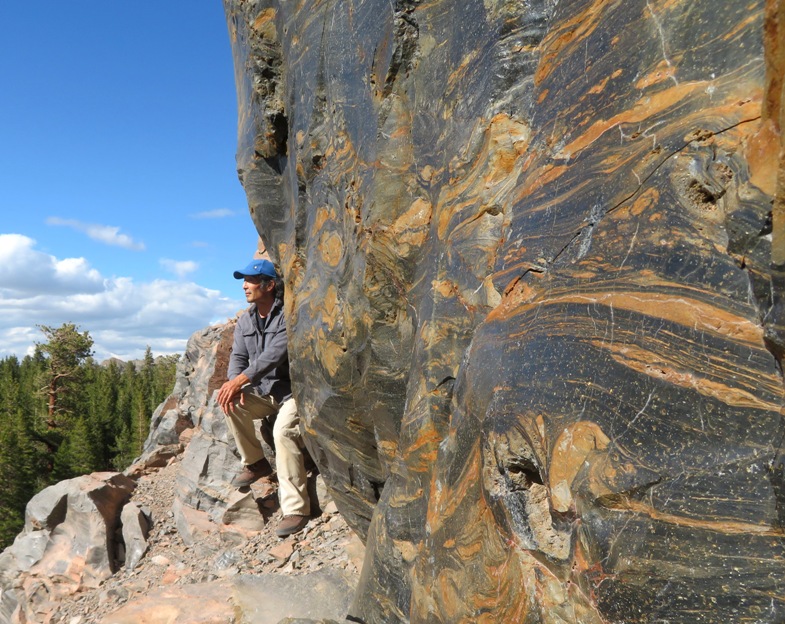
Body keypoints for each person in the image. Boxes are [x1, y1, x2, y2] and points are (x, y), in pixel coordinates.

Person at [217, 258, 310, 537]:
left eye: (251, 281)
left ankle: (295, 510)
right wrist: (235, 384)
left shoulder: (287, 315)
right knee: (228, 402)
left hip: (294, 392)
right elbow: (238, 357)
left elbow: (277, 353)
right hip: (263, 392)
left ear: (269, 285)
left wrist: (242, 380)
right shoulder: (246, 319)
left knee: (283, 433)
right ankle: (255, 462)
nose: (245, 285)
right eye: (244, 280)